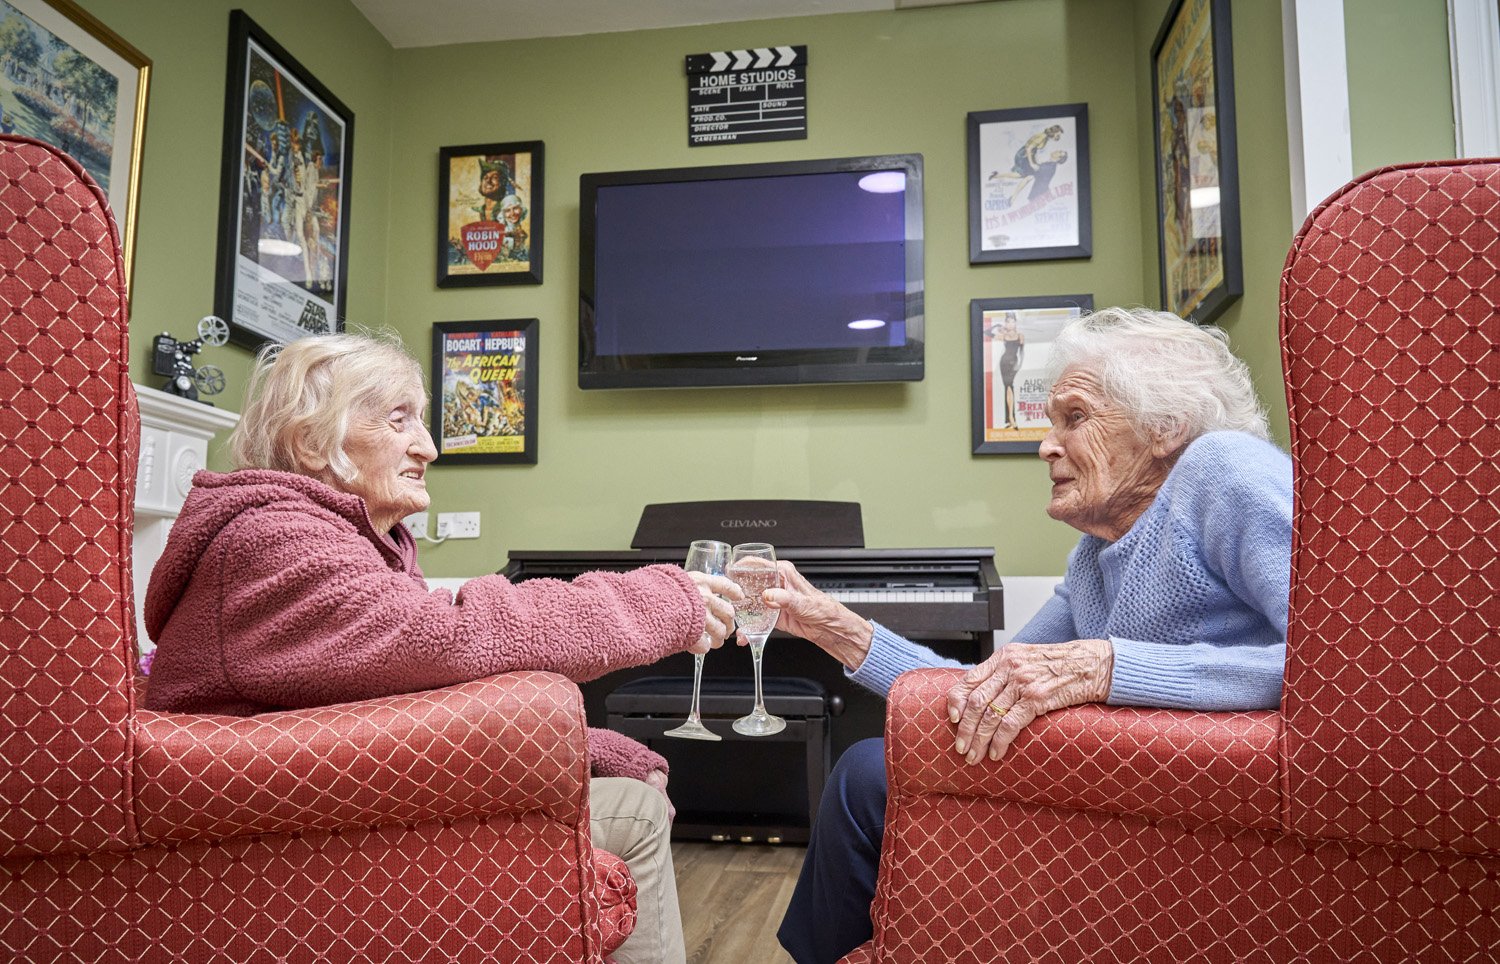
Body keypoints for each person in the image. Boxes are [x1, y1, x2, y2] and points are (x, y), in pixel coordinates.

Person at [142, 332, 740, 964]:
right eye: (399, 420)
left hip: (320, 794)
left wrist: (584, 746)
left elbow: (399, 690)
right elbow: (448, 638)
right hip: (267, 839)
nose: (428, 446)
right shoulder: (273, 538)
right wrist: (658, 602)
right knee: (638, 818)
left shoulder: (330, 537)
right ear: (311, 442)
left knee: (630, 799)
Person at [771, 307, 1293, 963]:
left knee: (867, 774)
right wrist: (837, 629)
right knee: (869, 775)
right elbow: (980, 691)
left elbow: (1340, 672)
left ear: (1165, 427)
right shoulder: (1094, 559)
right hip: (1121, 798)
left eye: (1073, 418)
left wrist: (1110, 668)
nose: (1045, 445)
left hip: (1211, 818)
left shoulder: (1227, 470)